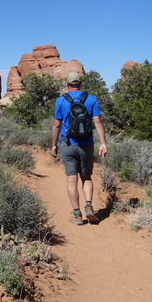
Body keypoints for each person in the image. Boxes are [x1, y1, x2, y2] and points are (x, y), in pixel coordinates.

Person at [51, 72, 107, 225]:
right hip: (86, 144)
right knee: (86, 177)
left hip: (68, 144)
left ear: (67, 84)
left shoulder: (61, 100)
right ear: (80, 83)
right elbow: (98, 122)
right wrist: (103, 143)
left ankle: (77, 215)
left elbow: (57, 125)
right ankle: (89, 206)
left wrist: (54, 144)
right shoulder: (91, 99)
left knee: (71, 180)